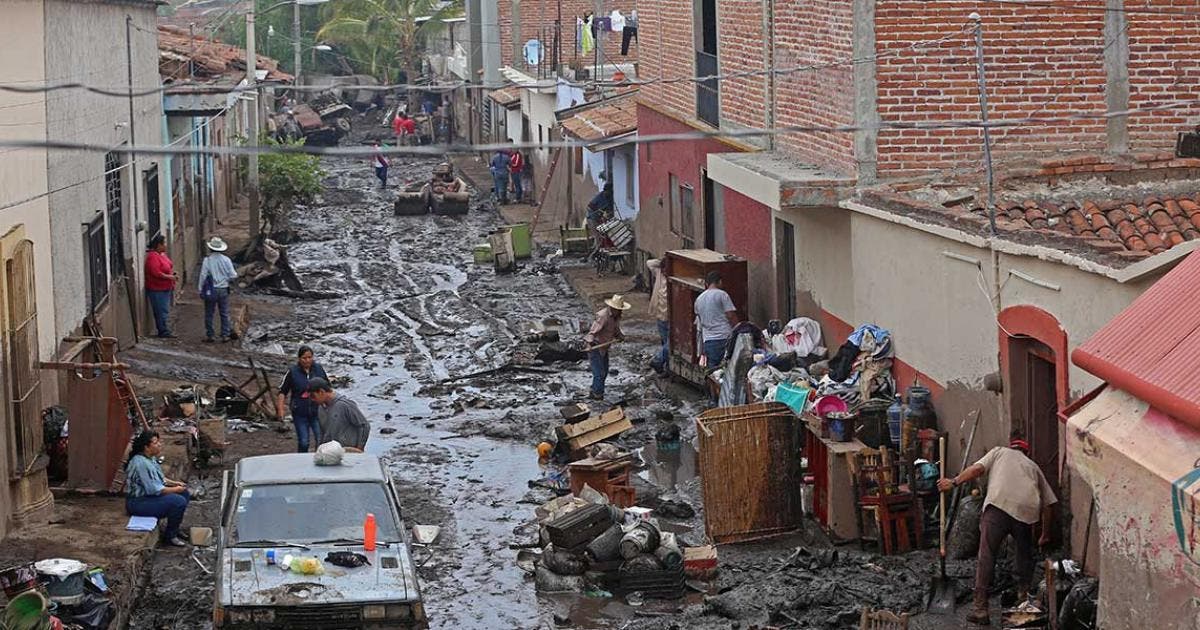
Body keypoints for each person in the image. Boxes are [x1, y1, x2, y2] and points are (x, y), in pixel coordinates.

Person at [937, 431, 1057, 625]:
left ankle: (980, 609)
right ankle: (1023, 597)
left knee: (987, 555)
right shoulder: (1033, 467)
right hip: (1026, 511)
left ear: (1011, 446)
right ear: (1026, 452)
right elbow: (1049, 505)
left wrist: (953, 482)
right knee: (1024, 555)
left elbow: (976, 469)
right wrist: (1045, 534)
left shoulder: (999, 452)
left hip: (998, 506)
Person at [124, 431, 191, 547]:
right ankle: (170, 536)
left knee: (184, 493)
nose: (159, 444)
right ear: (146, 447)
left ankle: (174, 528)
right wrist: (176, 489)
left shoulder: (150, 458)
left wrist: (176, 483)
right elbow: (155, 489)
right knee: (178, 501)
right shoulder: (141, 463)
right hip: (138, 502)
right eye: (155, 443)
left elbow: (160, 478)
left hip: (148, 497)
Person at [276, 345, 330, 453]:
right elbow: (282, 392)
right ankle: (301, 462)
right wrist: (280, 410)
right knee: (304, 442)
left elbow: (327, 388)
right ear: (299, 359)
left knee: (320, 439)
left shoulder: (318, 369)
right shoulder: (293, 372)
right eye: (304, 358)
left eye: (310, 357)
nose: (307, 360)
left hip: (317, 412)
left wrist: (329, 405)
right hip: (300, 413)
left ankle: (319, 460)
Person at [584, 294, 629, 400]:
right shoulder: (603, 316)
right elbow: (592, 332)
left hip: (604, 348)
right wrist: (589, 344)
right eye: (618, 309)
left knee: (604, 371)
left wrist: (620, 336)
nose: (620, 312)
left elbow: (615, 328)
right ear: (613, 308)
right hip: (596, 346)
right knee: (599, 373)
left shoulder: (615, 317)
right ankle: (597, 395)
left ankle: (595, 390)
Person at [307, 377, 371, 452]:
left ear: (321, 392)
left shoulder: (345, 405)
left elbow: (364, 426)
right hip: (330, 452)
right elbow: (322, 432)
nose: (312, 399)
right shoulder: (320, 408)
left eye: (313, 396)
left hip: (348, 451)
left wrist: (359, 448)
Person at [198, 236, 238, 343]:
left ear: (211, 248)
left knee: (209, 312)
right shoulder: (226, 260)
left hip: (211, 289)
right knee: (224, 312)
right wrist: (225, 278)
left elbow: (203, 275)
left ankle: (210, 335)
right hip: (224, 289)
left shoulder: (207, 260)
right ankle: (225, 335)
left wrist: (200, 289)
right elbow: (233, 275)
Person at [694, 271, 738, 369]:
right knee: (729, 369)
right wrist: (738, 330)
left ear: (706, 284)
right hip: (725, 338)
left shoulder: (698, 299)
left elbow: (699, 322)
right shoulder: (722, 295)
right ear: (719, 282)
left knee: (713, 371)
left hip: (709, 341)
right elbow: (731, 315)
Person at [144, 234, 177, 338]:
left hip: (165, 288)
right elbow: (156, 272)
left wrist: (172, 274)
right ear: (158, 245)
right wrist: (169, 277)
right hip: (157, 289)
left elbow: (167, 267)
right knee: (161, 310)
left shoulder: (161, 255)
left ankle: (164, 329)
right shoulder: (152, 257)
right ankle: (163, 331)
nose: (165, 246)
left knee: (164, 310)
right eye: (164, 244)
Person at [646, 258, 669, 374]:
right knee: (666, 344)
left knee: (669, 345)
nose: (665, 272)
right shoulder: (659, 273)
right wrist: (662, 261)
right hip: (660, 316)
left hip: (671, 319)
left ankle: (658, 360)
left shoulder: (673, 279)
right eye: (664, 269)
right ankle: (665, 368)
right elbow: (649, 263)